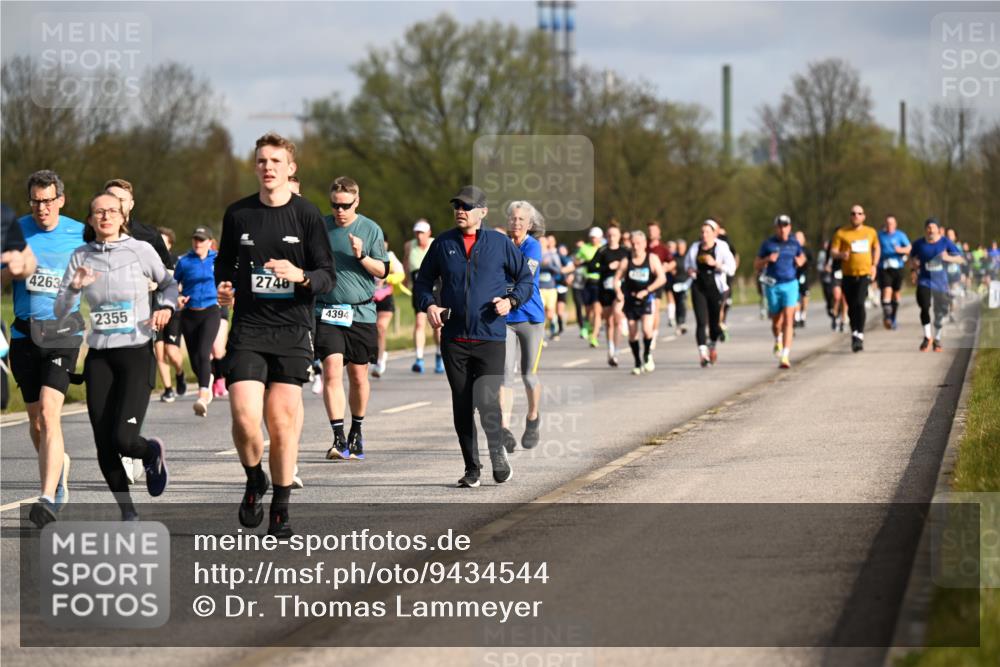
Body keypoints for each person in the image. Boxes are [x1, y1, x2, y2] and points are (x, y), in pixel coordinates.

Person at [215, 133, 335, 536]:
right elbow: (224, 266)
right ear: (255, 167)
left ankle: (281, 505)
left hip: (292, 329)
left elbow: (326, 276)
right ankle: (254, 479)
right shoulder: (238, 214)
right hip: (249, 328)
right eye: (262, 161)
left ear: (290, 168)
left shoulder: (307, 215)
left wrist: (299, 275)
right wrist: (226, 287)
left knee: (280, 422)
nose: (268, 167)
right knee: (245, 417)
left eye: (276, 161)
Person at [54, 192, 174, 522]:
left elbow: (169, 284)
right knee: (104, 444)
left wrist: (165, 307)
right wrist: (74, 288)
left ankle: (150, 451)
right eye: (97, 212)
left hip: (135, 353)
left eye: (111, 211)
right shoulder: (81, 256)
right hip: (100, 357)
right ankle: (128, 512)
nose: (105, 216)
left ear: (122, 216)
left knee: (124, 439)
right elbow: (60, 309)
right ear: (90, 220)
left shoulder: (141, 250)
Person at [413, 186, 533, 488]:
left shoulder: (499, 243)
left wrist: (512, 302)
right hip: (454, 338)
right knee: (462, 402)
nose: (460, 211)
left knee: (488, 401)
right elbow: (423, 282)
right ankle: (472, 467)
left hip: (490, 337)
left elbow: (525, 280)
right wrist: (428, 304)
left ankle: (497, 454)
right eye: (457, 206)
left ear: (482, 211)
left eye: (467, 206)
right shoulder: (443, 243)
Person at [6, 171, 81, 527]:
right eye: (36, 201)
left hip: (62, 332)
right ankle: (58, 466)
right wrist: (11, 271)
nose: (42, 208)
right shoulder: (15, 230)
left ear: (60, 200)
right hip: (23, 335)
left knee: (51, 414)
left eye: (48, 200)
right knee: (35, 420)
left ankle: (48, 496)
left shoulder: (80, 233)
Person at [315, 176, 388, 462]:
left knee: (358, 376)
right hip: (327, 312)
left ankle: (357, 430)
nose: (339, 211)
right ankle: (338, 437)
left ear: (356, 201)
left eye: (345, 205)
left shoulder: (370, 229)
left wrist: (361, 256)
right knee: (332, 370)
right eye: (335, 205)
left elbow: (382, 270)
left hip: (361, 312)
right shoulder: (320, 227)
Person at [500, 201, 546, 452]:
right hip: (505, 319)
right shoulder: (502, 245)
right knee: (505, 374)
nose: (516, 223)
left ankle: (532, 418)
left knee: (528, 375)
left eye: (521, 220)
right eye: (513, 218)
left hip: (530, 317)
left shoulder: (533, 246)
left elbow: (524, 277)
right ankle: (505, 429)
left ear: (529, 224)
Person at [173, 226, 221, 417]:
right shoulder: (184, 262)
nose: (198, 243)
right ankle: (206, 378)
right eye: (195, 239)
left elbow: (230, 280)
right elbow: (173, 285)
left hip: (210, 310)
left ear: (210, 242)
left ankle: (202, 396)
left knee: (203, 352)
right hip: (189, 314)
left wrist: (229, 294)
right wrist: (177, 296)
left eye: (202, 240)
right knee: (194, 360)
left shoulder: (217, 259)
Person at [754, 215, 806, 369]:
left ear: (789, 227)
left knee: (789, 320)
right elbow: (756, 265)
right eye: (780, 226)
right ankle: (778, 339)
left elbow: (802, 256)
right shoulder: (768, 244)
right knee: (776, 322)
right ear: (776, 228)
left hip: (790, 284)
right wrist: (767, 260)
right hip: (773, 285)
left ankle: (785, 356)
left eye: (785, 226)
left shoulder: (794, 243)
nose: (783, 229)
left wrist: (800, 261)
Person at [684, 220, 737, 367]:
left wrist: (715, 264)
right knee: (701, 321)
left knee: (714, 324)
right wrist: (689, 270)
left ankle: (712, 345)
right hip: (699, 286)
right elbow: (687, 264)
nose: (704, 235)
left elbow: (731, 268)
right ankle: (703, 355)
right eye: (702, 232)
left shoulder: (721, 247)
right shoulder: (695, 247)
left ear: (714, 233)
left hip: (715, 287)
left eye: (707, 232)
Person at [616, 230, 666, 374]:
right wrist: (619, 292)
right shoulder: (627, 260)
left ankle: (647, 354)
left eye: (638, 243)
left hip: (646, 299)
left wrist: (648, 290)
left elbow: (662, 278)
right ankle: (637, 361)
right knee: (632, 332)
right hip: (630, 300)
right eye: (633, 244)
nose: (636, 246)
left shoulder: (652, 259)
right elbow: (616, 278)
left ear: (644, 244)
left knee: (646, 329)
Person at [830, 205, 880, 352]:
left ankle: (860, 334)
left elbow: (877, 247)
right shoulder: (841, 233)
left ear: (864, 216)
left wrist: (874, 265)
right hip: (847, 275)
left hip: (864, 273)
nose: (856, 216)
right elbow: (833, 251)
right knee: (851, 306)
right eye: (853, 213)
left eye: (859, 213)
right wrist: (841, 255)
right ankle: (854, 333)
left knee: (859, 302)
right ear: (850, 216)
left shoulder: (870, 232)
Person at [910, 218, 964, 352]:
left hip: (941, 283)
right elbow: (911, 258)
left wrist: (948, 258)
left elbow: (960, 259)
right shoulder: (918, 244)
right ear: (925, 229)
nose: (930, 230)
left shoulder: (946, 242)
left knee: (940, 312)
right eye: (928, 227)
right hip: (924, 280)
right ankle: (927, 336)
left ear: (938, 229)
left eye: (933, 227)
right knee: (924, 306)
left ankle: (937, 338)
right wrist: (913, 267)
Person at [404, 219, 443, 374]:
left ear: (429, 233)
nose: (419, 236)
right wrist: (406, 280)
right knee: (420, 322)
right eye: (417, 233)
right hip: (419, 287)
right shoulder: (409, 245)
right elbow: (406, 262)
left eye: (422, 233)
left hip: (436, 286)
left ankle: (439, 355)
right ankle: (419, 359)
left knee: (437, 325)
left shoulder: (437, 243)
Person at [592, 225, 628, 366]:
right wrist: (608, 267)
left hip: (620, 289)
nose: (612, 237)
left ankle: (617, 352)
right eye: (609, 235)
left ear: (619, 236)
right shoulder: (602, 251)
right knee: (609, 321)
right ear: (606, 236)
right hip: (605, 289)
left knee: (617, 316)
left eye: (614, 235)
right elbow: (591, 266)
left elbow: (632, 265)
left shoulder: (625, 251)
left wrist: (622, 266)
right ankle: (611, 349)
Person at [371, 237, 405, 378]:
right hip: (369, 298)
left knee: (381, 328)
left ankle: (379, 361)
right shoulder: (367, 256)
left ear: (386, 243)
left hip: (385, 297)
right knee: (370, 330)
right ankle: (380, 353)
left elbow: (401, 275)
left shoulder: (390, 256)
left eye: (382, 242)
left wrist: (387, 278)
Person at [877, 215, 912, 330]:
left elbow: (909, 248)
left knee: (896, 294)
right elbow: (874, 249)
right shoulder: (880, 235)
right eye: (887, 223)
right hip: (884, 267)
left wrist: (900, 250)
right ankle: (887, 316)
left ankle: (893, 317)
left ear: (895, 224)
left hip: (898, 267)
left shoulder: (900, 235)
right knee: (887, 290)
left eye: (891, 223)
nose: (889, 225)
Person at [574, 227, 604, 347]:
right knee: (588, 310)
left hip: (599, 282)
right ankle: (587, 325)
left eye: (595, 237)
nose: (593, 240)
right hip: (587, 281)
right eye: (591, 237)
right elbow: (576, 261)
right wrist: (583, 262)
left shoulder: (603, 248)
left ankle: (594, 336)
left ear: (600, 238)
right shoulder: (584, 248)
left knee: (597, 310)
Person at [647, 222, 676, 346]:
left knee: (654, 308)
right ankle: (646, 332)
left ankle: (653, 335)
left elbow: (673, 263)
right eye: (649, 230)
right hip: (644, 282)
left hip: (657, 282)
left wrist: (666, 268)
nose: (651, 232)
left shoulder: (663, 249)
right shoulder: (644, 247)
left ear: (659, 232)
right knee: (646, 310)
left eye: (653, 230)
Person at [538, 235, 561, 343]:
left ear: (547, 243)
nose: (541, 244)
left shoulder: (552, 255)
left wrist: (549, 266)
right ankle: (540, 337)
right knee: (540, 313)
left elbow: (558, 270)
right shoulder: (535, 254)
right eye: (539, 242)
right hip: (539, 288)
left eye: (543, 242)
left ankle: (554, 328)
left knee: (550, 313)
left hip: (551, 288)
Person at [793, 230, 813, 328]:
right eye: (796, 238)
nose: (798, 240)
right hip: (793, 276)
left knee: (804, 296)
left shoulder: (807, 251)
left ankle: (803, 315)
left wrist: (804, 261)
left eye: (799, 238)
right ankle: (796, 317)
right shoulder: (792, 249)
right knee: (795, 297)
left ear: (803, 240)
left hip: (804, 276)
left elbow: (811, 263)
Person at [673, 238, 690, 335]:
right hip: (676, 283)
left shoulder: (688, 257)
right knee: (677, 303)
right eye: (678, 248)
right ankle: (678, 323)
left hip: (686, 282)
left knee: (683, 301)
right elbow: (670, 266)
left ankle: (682, 322)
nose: (680, 250)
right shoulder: (674, 257)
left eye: (682, 248)